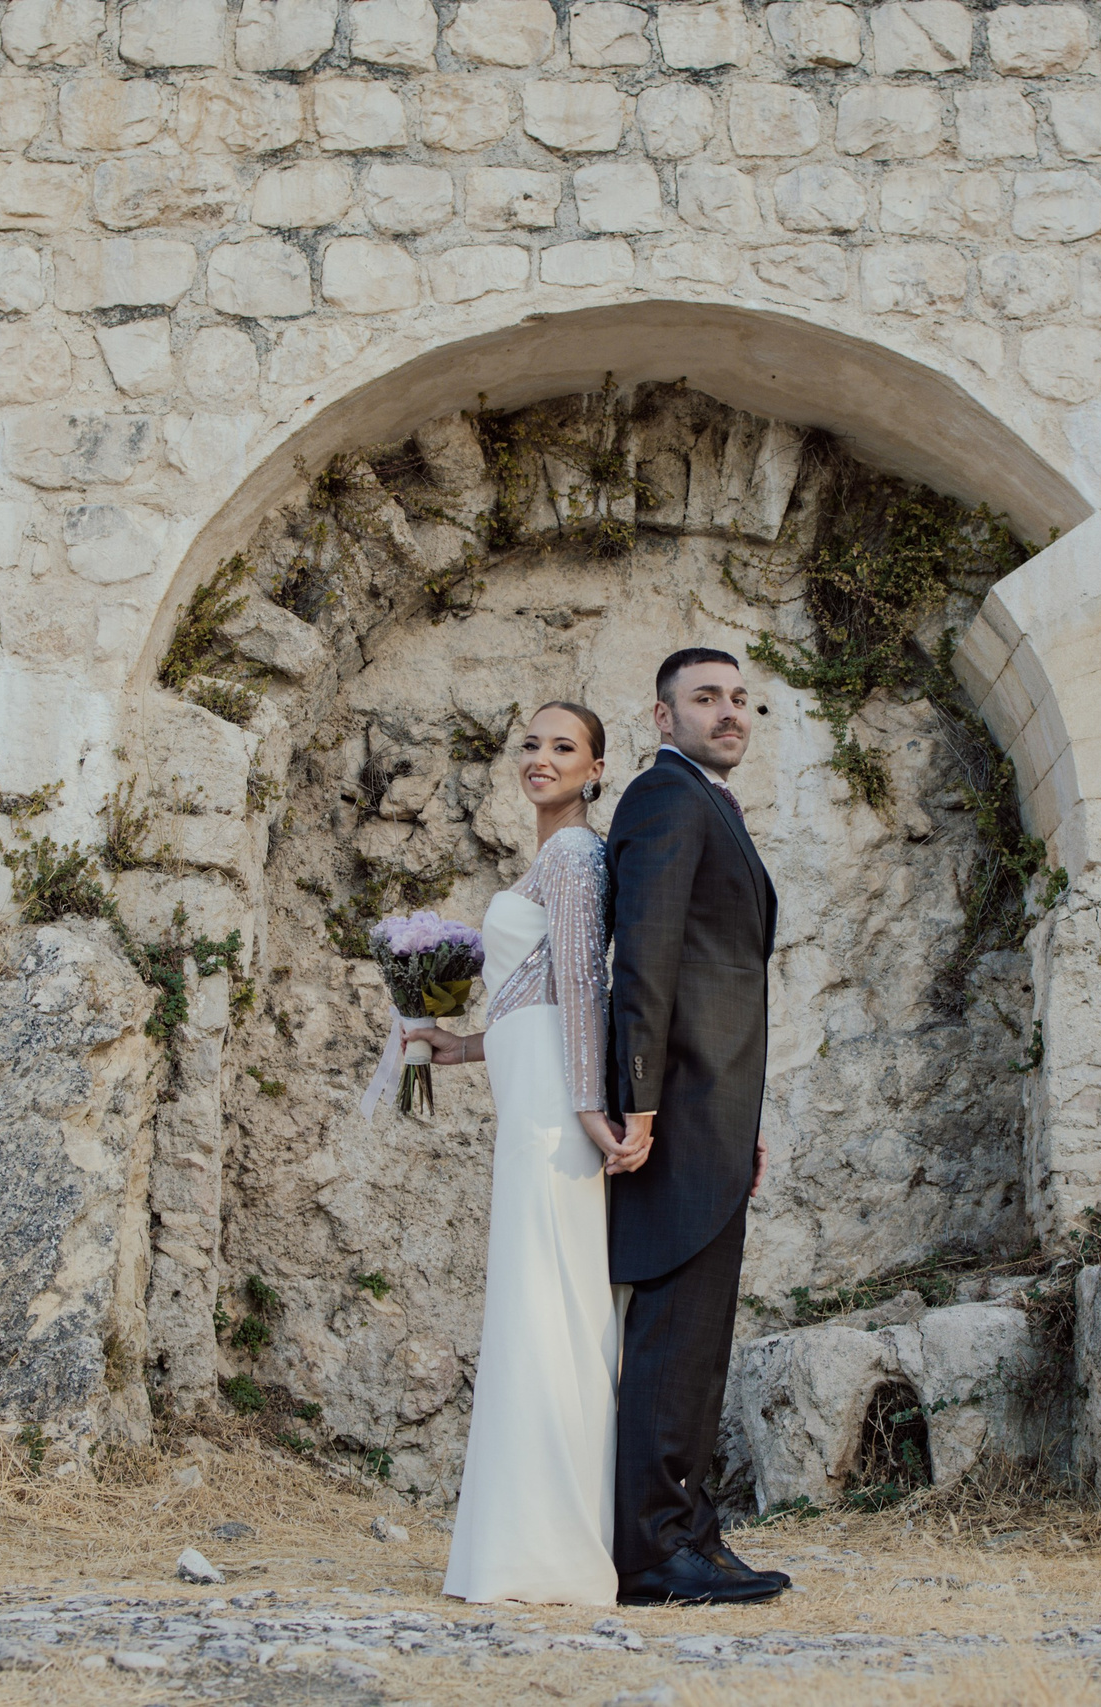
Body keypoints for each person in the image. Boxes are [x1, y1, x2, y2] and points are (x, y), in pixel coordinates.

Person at [402, 702, 641, 1605]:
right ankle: (518, 1539)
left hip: (553, 1110)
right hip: (531, 1092)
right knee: (528, 1301)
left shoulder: (578, 855)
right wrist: (445, 1045)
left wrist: (588, 1103)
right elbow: (524, 1004)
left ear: (595, 770)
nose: (541, 758)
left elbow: (584, 978)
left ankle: (555, 1550)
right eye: (531, 744)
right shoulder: (544, 859)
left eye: (563, 747)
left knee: (553, 1303)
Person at [601, 648, 789, 1607]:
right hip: (672, 1111)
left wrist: (747, 1120)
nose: (729, 713)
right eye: (706, 698)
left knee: (701, 1335)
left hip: (719, 1111)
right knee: (675, 1333)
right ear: (664, 715)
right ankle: (650, 1552)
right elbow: (646, 956)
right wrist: (638, 1099)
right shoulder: (662, 798)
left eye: (739, 699)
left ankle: (691, 1529)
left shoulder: (710, 801)